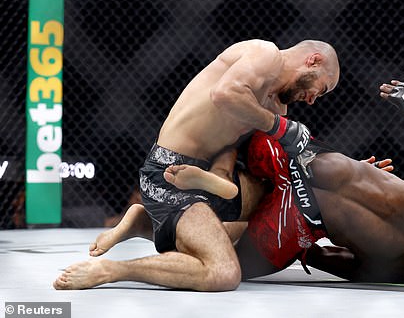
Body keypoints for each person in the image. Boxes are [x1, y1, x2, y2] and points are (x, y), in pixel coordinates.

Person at [53, 79, 404, 288]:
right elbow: (342, 264)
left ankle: (165, 210)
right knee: (235, 261)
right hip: (299, 218)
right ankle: (153, 227)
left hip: (298, 165)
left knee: (246, 134)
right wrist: (310, 242)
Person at [53, 39, 340, 291]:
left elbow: (282, 160)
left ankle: (145, 224)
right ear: (312, 61)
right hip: (170, 175)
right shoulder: (265, 54)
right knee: (224, 273)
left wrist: (349, 168)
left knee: (277, 197)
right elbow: (226, 94)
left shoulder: (278, 107)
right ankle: (112, 271)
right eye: (321, 88)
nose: (314, 100)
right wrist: (278, 126)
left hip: (206, 177)